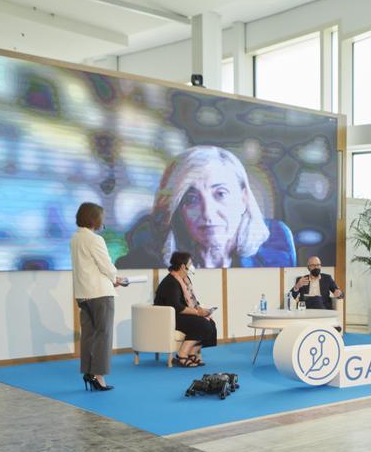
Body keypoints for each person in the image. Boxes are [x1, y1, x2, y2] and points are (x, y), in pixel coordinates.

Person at [117, 145, 297, 269]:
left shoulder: (275, 247)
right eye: (192, 199)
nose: (208, 213)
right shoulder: (143, 260)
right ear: (177, 209)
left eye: (220, 194)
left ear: (243, 199)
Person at [71, 202, 125, 391]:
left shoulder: (75, 238)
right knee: (103, 335)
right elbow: (106, 265)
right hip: (100, 294)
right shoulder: (95, 240)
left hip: (82, 294)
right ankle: (99, 377)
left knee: (88, 335)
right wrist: (116, 278)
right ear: (95, 219)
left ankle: (88, 372)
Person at [154, 251, 218, 367]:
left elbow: (192, 301)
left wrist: (203, 310)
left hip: (181, 314)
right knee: (203, 324)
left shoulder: (185, 279)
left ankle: (192, 353)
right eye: (191, 263)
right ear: (183, 266)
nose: (192, 265)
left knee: (211, 323)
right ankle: (181, 355)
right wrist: (198, 313)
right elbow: (177, 307)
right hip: (170, 317)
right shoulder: (171, 282)